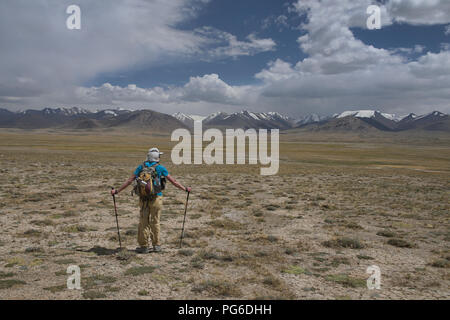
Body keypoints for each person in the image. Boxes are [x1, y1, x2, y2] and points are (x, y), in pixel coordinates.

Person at [111, 147, 191, 254]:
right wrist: (185, 189)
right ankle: (156, 245)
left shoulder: (140, 167)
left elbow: (130, 180)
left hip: (143, 199)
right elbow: (174, 182)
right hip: (156, 198)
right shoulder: (160, 168)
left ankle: (143, 246)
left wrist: (117, 191)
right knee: (155, 221)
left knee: (143, 222)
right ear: (157, 157)